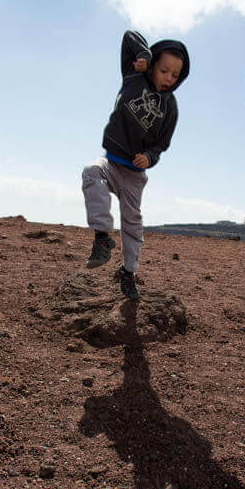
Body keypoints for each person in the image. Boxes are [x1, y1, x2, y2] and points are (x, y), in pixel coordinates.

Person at [82, 30, 190, 299]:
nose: (168, 78)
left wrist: (150, 157)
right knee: (91, 172)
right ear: (153, 65)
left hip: (134, 174)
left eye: (175, 75)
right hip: (111, 161)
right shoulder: (132, 76)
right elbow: (129, 36)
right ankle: (102, 237)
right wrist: (143, 55)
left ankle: (128, 273)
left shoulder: (171, 107)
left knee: (132, 223)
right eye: (164, 70)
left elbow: (161, 144)